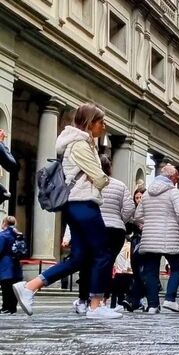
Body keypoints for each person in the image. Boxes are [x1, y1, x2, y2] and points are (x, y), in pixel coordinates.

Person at [14, 102, 121, 319]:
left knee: (79, 258)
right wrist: (100, 179)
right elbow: (100, 179)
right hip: (84, 204)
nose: (105, 126)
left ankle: (30, 286)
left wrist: (97, 178)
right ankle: (95, 305)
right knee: (102, 252)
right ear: (91, 123)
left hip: (76, 205)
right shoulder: (80, 145)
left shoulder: (80, 143)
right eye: (101, 122)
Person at [78, 153, 134, 310]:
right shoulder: (120, 185)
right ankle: (104, 300)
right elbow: (130, 207)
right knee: (108, 265)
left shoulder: (89, 183)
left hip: (93, 227)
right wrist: (119, 220)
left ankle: (84, 299)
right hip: (115, 230)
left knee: (88, 263)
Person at [134, 164, 179, 315]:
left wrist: (148, 223)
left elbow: (137, 216)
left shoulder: (147, 194)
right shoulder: (173, 192)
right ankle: (170, 299)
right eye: (176, 177)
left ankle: (152, 305)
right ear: (170, 177)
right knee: (177, 268)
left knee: (151, 271)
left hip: (150, 236)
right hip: (170, 235)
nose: (177, 180)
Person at [0, 216, 24, 314]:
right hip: (16, 264)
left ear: (4, 223)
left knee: (6, 287)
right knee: (14, 288)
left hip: (5, 264)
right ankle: (12, 307)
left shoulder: (2, 235)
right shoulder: (18, 235)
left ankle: (5, 307)